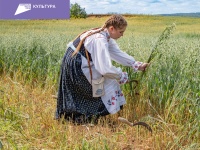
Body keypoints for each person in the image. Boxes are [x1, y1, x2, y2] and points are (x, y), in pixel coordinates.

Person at [55, 14, 149, 124]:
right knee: (101, 86)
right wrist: (120, 76)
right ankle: (84, 117)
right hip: (77, 64)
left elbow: (116, 53)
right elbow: (105, 69)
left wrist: (135, 64)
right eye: (121, 32)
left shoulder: (104, 35)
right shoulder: (100, 39)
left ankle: (83, 116)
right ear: (112, 28)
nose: (122, 35)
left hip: (76, 61)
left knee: (100, 86)